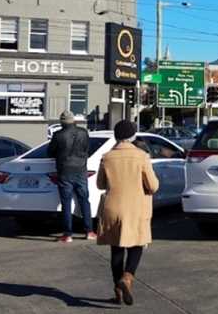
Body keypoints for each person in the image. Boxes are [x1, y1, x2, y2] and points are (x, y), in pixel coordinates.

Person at [96, 120, 159, 306]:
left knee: (116, 250)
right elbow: (153, 186)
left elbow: (100, 185)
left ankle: (118, 292)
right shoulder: (141, 156)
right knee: (137, 244)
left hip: (112, 207)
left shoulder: (106, 157)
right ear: (132, 136)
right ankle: (128, 278)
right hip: (136, 207)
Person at [47, 110, 95, 243]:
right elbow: (87, 150)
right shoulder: (83, 132)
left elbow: (50, 152)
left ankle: (68, 234)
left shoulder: (58, 135)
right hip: (81, 169)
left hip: (64, 171)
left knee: (66, 202)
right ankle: (89, 231)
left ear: (62, 122)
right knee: (84, 200)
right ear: (74, 120)